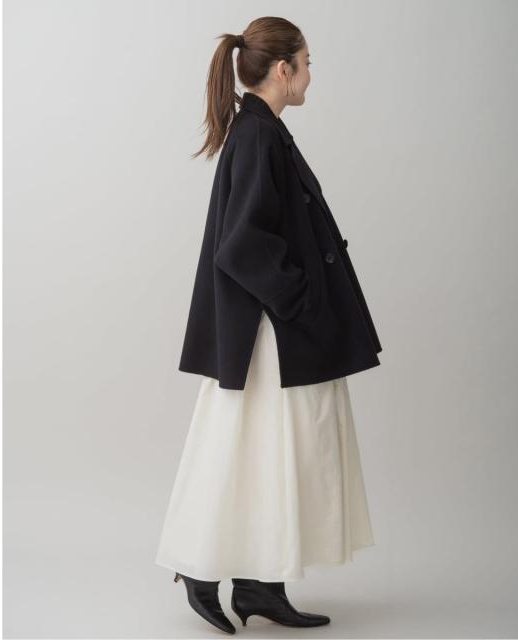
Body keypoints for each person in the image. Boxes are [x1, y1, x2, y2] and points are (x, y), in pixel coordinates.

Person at [155, 16, 383, 635]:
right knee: (259, 450)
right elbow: (241, 243)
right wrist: (300, 299)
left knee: (270, 455)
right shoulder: (257, 135)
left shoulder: (260, 130)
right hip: (271, 332)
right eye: (307, 64)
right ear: (284, 70)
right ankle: (202, 570)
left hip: (272, 328)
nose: (310, 76)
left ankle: (259, 584)